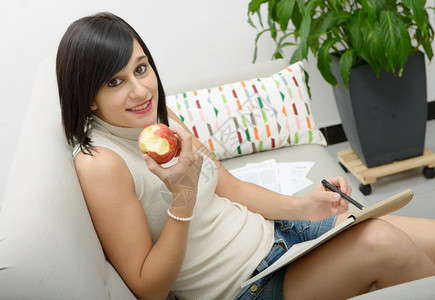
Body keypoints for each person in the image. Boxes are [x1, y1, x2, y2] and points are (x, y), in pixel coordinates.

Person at [56, 12, 435, 300]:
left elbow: (230, 186)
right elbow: (147, 287)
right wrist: (183, 198)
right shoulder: (100, 162)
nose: (140, 91)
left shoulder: (159, 117)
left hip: (280, 237)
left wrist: (304, 207)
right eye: (115, 82)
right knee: (385, 244)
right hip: (246, 284)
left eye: (141, 68)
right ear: (88, 95)